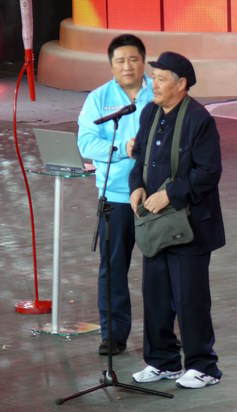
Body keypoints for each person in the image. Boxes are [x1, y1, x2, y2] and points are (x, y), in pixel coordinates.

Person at [129, 51, 225, 389]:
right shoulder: (149, 113)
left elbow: (208, 172)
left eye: (161, 79)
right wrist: (136, 186)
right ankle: (162, 361)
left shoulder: (199, 120)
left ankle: (203, 366)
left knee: (189, 298)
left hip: (191, 226)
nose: (153, 84)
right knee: (155, 295)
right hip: (156, 224)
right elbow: (139, 157)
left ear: (181, 84)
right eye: (153, 78)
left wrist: (170, 193)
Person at [77, 34, 153, 355]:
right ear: (111, 66)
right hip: (115, 198)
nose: (127, 66)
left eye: (133, 59)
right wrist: (122, 147)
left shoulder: (159, 93)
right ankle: (114, 335)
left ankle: (162, 336)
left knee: (161, 270)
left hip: (155, 199)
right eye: (120, 61)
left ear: (143, 61)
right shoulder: (98, 99)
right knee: (113, 269)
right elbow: (86, 143)